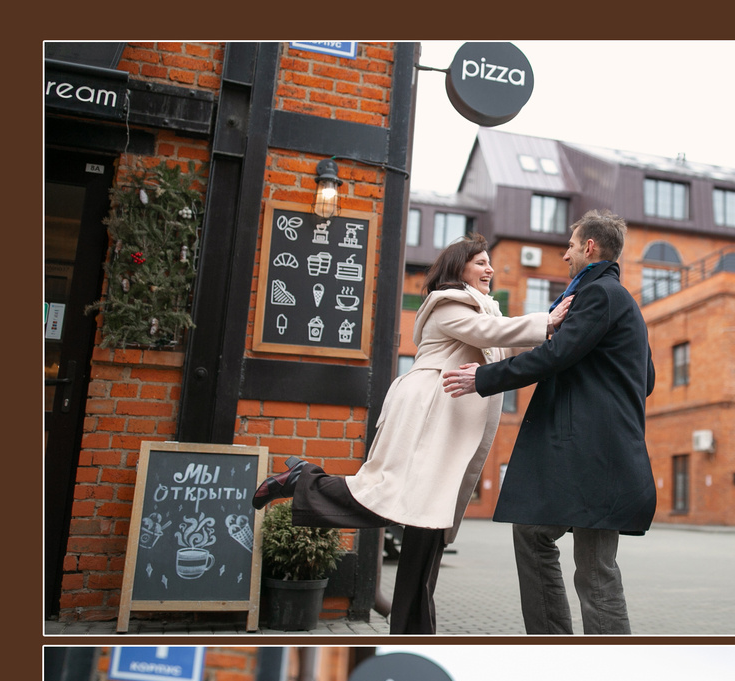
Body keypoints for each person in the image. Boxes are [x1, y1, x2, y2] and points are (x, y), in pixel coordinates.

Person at [250, 236, 567, 633]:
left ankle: (414, 629)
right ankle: (304, 481)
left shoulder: (483, 308)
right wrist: (546, 321)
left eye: (490, 264)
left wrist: (552, 335)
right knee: (387, 495)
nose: (489, 271)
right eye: (481, 263)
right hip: (427, 418)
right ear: (458, 268)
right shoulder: (448, 305)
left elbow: (502, 343)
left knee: (427, 525)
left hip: (448, 426)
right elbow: (489, 332)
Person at [443, 212, 654, 635]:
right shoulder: (620, 300)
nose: (565, 254)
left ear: (590, 248)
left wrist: (482, 378)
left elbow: (557, 356)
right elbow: (645, 380)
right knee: (586, 564)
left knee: (577, 561)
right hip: (609, 457)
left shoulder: (598, 295)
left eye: (572, 245)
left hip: (595, 457)